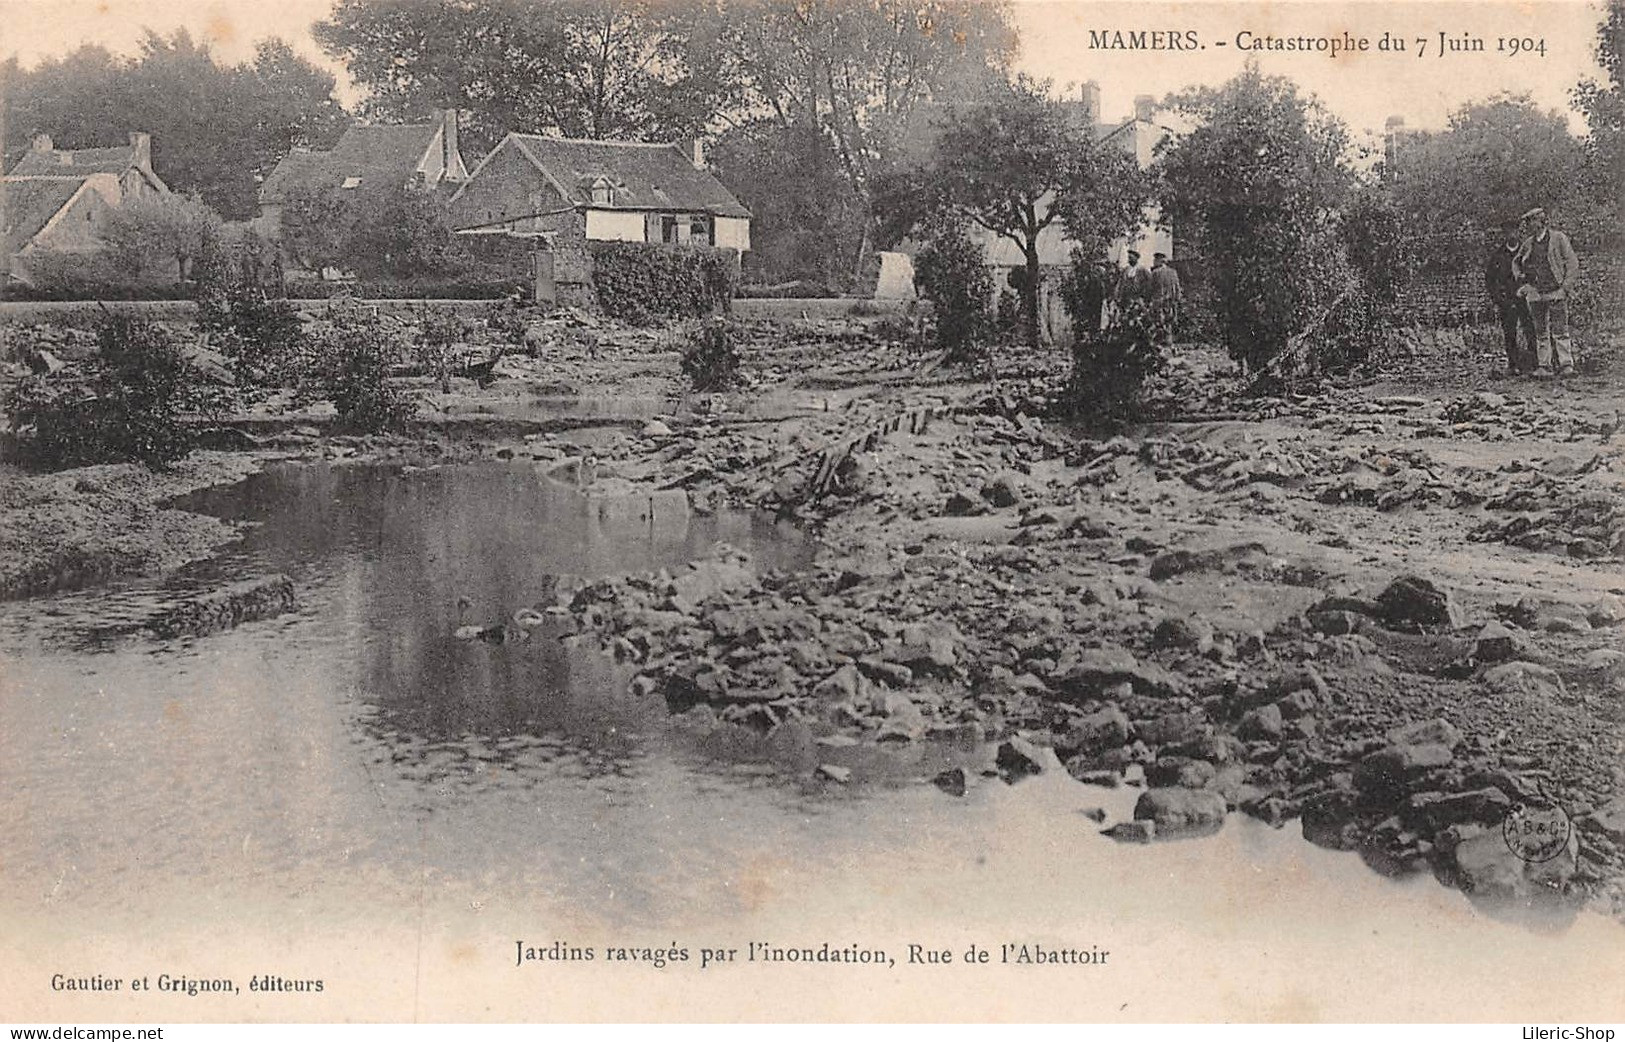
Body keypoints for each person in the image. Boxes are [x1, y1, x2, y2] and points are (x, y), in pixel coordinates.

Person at [1513, 207, 1579, 377]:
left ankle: (1565, 365)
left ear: (1541, 221)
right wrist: (1522, 281)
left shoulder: (1558, 238)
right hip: (1536, 293)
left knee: (1560, 330)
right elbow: (1517, 262)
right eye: (1528, 222)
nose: (1529, 225)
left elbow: (1572, 263)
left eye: (1532, 221)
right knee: (1541, 332)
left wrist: (1565, 288)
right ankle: (1545, 366)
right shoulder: (1528, 243)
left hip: (1556, 291)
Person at [1484, 220, 1536, 376]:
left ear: (1518, 232)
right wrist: (1499, 299)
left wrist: (1531, 291)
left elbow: (1535, 273)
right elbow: (1490, 280)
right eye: (1508, 232)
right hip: (1507, 300)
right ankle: (1513, 364)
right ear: (1504, 234)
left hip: (1526, 298)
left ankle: (1536, 364)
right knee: (1509, 332)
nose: (1511, 234)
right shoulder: (1498, 255)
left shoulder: (1526, 252)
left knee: (1531, 330)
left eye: (1514, 231)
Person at [1148, 251, 1182, 344]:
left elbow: (1150, 289)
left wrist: (1149, 301)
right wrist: (1177, 301)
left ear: (1159, 261)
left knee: (1158, 324)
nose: (1154, 262)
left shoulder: (1155, 273)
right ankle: (1169, 345)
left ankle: (1158, 345)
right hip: (1170, 303)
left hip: (1158, 303)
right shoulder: (1173, 272)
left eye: (1155, 260)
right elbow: (1177, 288)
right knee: (1169, 324)